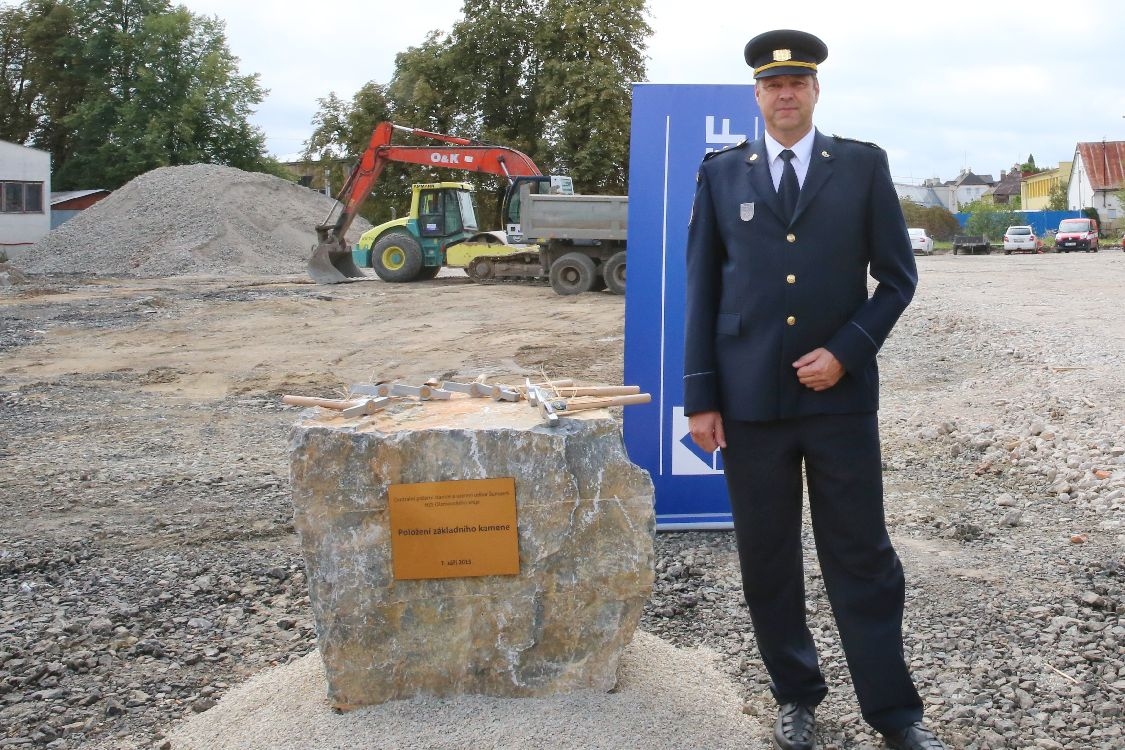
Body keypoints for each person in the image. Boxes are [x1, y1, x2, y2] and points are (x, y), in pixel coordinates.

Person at [682, 29, 946, 750]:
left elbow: (897, 279)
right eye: (772, 85)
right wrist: (699, 397)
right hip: (747, 402)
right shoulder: (722, 173)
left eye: (796, 81)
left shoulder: (859, 167)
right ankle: (795, 696)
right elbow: (701, 289)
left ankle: (894, 715)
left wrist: (847, 350)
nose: (785, 93)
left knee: (861, 555)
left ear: (815, 90)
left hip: (839, 400)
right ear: (756, 95)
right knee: (767, 557)